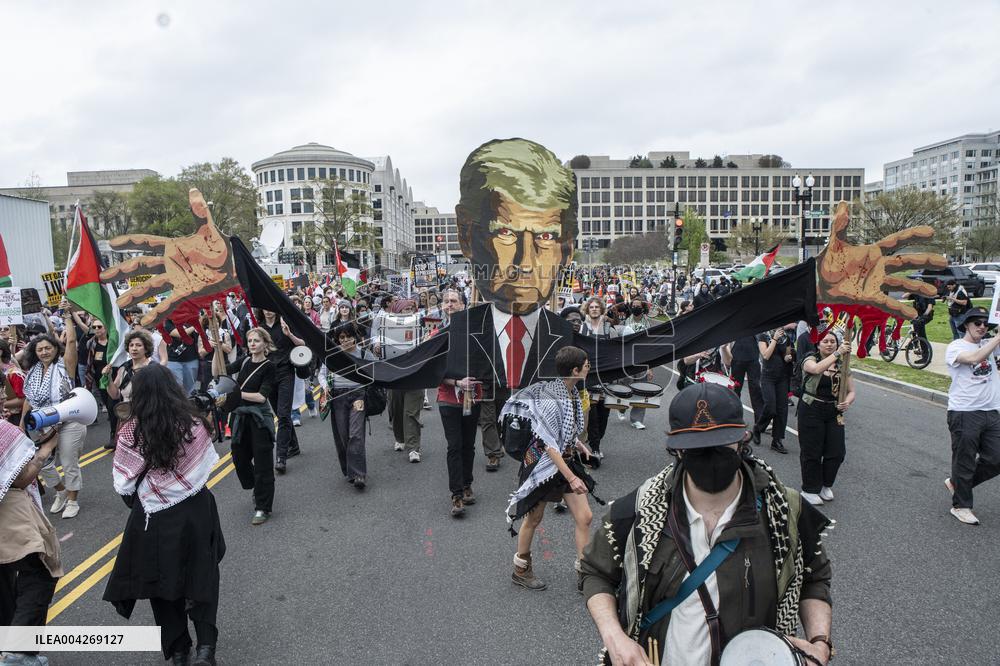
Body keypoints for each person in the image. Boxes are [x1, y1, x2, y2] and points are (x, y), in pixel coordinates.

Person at [580, 382, 834, 666]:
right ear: (676, 449)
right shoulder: (637, 512)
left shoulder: (786, 512)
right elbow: (595, 572)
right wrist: (614, 636)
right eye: (696, 447)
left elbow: (814, 578)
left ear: (742, 439)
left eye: (721, 442)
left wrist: (819, 643)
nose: (710, 454)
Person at [451, 139, 578, 474]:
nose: (525, 262)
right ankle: (492, 455)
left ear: (566, 248)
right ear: (467, 234)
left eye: (545, 236)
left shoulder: (564, 332)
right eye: (505, 232)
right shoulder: (465, 327)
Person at [103, 364, 225, 666]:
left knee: (162, 582)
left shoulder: (131, 430)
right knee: (202, 575)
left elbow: (124, 484)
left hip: (154, 516)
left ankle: (178, 650)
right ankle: (206, 650)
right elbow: (203, 465)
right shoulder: (192, 423)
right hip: (196, 509)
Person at [503, 346, 596, 591]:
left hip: (563, 458)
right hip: (541, 464)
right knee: (533, 518)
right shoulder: (552, 400)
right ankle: (521, 569)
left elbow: (561, 432)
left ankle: (585, 573)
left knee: (585, 517)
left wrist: (578, 443)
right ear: (575, 370)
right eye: (586, 364)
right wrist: (572, 478)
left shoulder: (571, 391)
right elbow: (548, 444)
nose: (589, 367)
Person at [0, 422, 64, 666]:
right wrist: (45, 449)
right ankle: (17, 653)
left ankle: (16, 651)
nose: (4, 399)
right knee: (41, 572)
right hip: (9, 515)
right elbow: (21, 479)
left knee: (4, 582)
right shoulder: (3, 430)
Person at [21, 311, 85, 520]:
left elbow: (73, 340)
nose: (44, 352)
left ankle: (73, 500)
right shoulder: (32, 372)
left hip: (69, 421)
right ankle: (60, 491)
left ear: (56, 349)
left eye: (48, 348)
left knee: (68, 462)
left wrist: (67, 316)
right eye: (40, 349)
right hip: (41, 424)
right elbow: (28, 400)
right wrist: (22, 425)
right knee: (42, 462)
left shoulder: (65, 366)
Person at [943, 307, 1000, 525]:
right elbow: (974, 358)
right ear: (966, 324)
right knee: (964, 461)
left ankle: (957, 483)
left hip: (991, 411)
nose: (982, 327)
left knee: (996, 459)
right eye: (977, 322)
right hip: (965, 412)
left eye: (986, 323)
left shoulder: (989, 345)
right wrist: (996, 340)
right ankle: (961, 506)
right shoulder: (955, 346)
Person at [436, 290, 481, 516]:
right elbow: (432, 370)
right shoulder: (437, 333)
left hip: (473, 396)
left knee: (468, 445)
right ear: (442, 306)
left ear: (463, 305)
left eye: (454, 301)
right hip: (447, 397)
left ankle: (467, 484)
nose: (450, 304)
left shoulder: (476, 332)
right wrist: (455, 381)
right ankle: (456, 494)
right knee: (454, 445)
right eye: (446, 301)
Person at [798, 330, 855, 506]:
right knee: (812, 451)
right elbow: (815, 369)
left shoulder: (842, 365)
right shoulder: (810, 359)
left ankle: (825, 484)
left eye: (833, 341)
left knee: (837, 452)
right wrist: (838, 353)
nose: (830, 344)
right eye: (825, 341)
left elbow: (851, 391)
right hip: (811, 409)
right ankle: (809, 489)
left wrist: (847, 402)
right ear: (818, 344)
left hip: (833, 412)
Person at [227, 328, 276, 526]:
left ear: (265, 343)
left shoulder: (269, 367)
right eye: (250, 340)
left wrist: (236, 393)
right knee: (239, 457)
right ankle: (258, 487)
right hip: (240, 418)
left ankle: (262, 507)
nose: (252, 343)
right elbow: (219, 372)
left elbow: (261, 396)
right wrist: (215, 352)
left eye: (256, 340)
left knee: (263, 465)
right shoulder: (245, 361)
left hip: (259, 419)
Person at [256, 309, 305, 474]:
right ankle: (294, 445)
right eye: (265, 309)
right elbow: (251, 350)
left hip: (286, 372)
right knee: (279, 413)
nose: (268, 312)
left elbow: (303, 344)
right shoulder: (259, 328)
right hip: (268, 375)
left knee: (284, 415)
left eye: (271, 309)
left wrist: (289, 334)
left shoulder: (285, 322)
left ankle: (280, 458)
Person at [324, 323, 372, 489]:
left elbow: (377, 369)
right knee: (343, 435)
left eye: (349, 336)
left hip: (358, 395)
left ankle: (359, 474)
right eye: (342, 338)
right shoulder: (333, 355)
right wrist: (325, 386)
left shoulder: (364, 354)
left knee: (356, 434)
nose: (345, 341)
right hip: (338, 396)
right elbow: (321, 374)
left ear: (355, 337)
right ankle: (349, 470)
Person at [753, 324, 797, 455]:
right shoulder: (763, 336)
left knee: (782, 410)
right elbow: (766, 355)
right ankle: (758, 428)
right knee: (771, 407)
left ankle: (777, 441)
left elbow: (787, 355)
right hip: (768, 376)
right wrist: (775, 339)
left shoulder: (786, 337)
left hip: (782, 377)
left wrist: (788, 357)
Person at [729, 334, 764, 426]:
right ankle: (734, 419)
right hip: (737, 357)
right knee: (735, 390)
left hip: (753, 356)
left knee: (756, 389)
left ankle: (759, 422)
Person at [164, 319, 202, 394]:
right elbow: (180, 334)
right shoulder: (168, 322)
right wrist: (196, 325)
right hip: (174, 360)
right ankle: (178, 404)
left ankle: (189, 404)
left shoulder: (191, 318)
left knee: (190, 388)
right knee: (176, 387)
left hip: (191, 359)